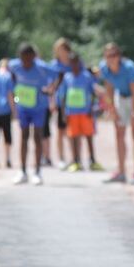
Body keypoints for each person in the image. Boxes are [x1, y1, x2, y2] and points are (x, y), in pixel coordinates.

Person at [99, 43, 134, 185]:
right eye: (108, 55)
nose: (111, 58)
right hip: (121, 96)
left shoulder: (129, 67)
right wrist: (112, 109)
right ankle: (121, 172)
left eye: (114, 55)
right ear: (105, 57)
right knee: (119, 132)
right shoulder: (104, 67)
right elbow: (108, 88)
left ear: (119, 56)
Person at [9, 44, 58, 185]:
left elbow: (59, 74)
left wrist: (51, 89)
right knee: (23, 137)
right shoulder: (14, 66)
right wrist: (16, 97)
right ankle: (22, 171)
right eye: (23, 60)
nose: (26, 63)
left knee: (37, 137)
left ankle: (37, 172)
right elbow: (12, 80)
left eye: (29, 60)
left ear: (33, 58)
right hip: (23, 107)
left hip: (39, 107)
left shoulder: (42, 67)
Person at [59, 53, 103, 172]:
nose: (74, 64)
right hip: (71, 112)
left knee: (89, 136)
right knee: (73, 137)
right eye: (72, 62)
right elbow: (63, 96)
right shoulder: (67, 77)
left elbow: (93, 93)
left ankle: (92, 160)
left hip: (85, 112)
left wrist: (91, 108)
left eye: (76, 62)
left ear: (79, 62)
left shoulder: (87, 76)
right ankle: (76, 161)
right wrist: (63, 113)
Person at [47, 38, 73, 169]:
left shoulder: (74, 63)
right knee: (60, 130)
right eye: (59, 50)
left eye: (63, 49)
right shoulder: (53, 65)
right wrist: (51, 101)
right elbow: (50, 85)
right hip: (60, 100)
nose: (61, 52)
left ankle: (74, 158)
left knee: (73, 131)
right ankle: (61, 158)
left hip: (74, 101)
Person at [0, 59, 16, 168]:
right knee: (7, 135)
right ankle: (7, 158)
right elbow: (10, 95)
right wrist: (14, 111)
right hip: (5, 109)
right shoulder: (8, 77)